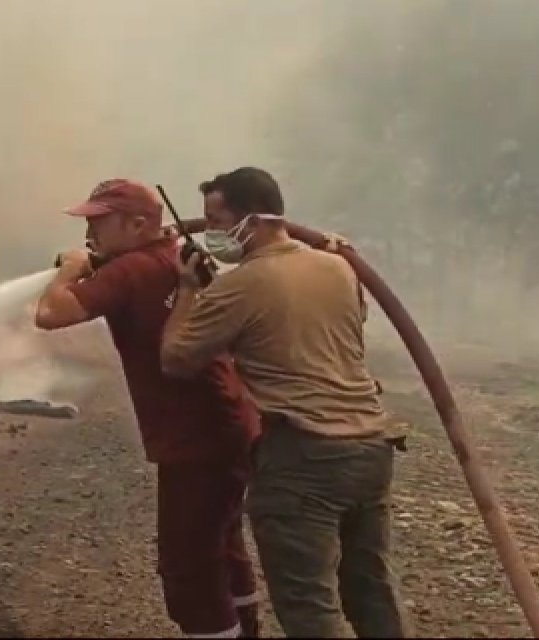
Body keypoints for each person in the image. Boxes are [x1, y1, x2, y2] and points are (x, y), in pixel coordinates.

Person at [159, 167, 409, 638]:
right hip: (371, 450)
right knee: (370, 591)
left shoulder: (243, 285)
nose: (209, 230)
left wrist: (190, 290)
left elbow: (176, 358)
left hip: (303, 459)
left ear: (250, 220)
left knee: (309, 609)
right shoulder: (337, 266)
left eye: (216, 219)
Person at [35, 178, 263, 638]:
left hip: (193, 439)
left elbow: (50, 314)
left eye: (99, 223)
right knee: (223, 546)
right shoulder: (170, 256)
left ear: (138, 224)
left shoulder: (131, 269)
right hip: (232, 424)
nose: (88, 235)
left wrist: (71, 271)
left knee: (188, 568)